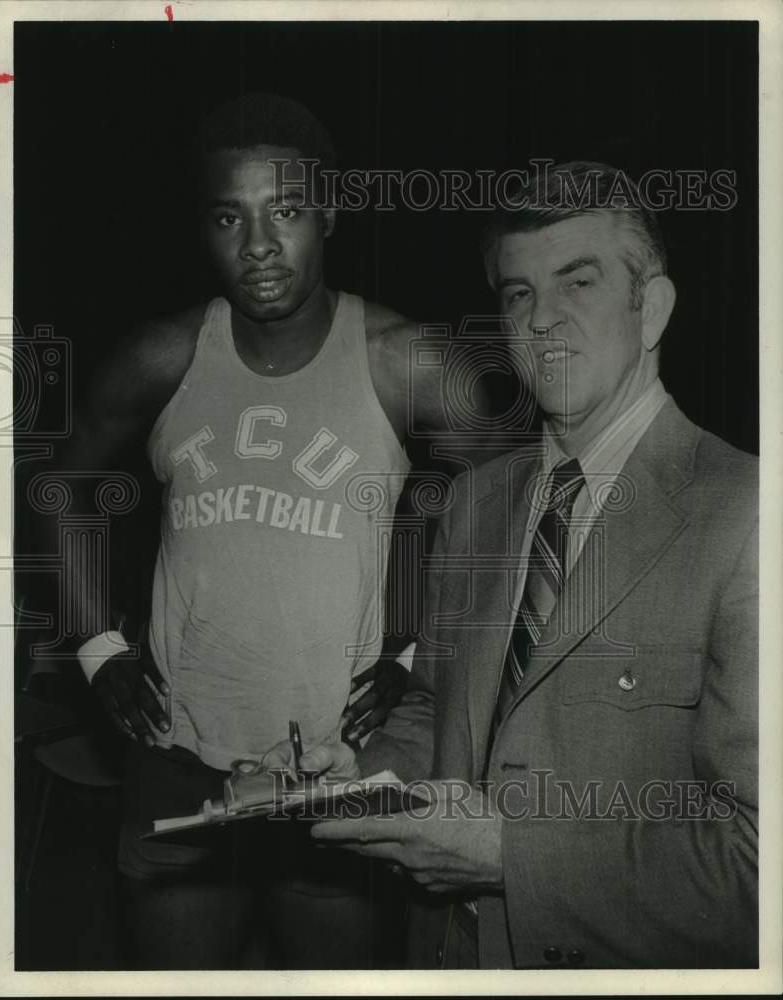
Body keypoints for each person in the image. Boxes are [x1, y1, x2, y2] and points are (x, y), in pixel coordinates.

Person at [286, 161, 759, 969]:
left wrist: (509, 854)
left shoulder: (747, 515)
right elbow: (435, 710)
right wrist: (360, 775)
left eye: (579, 281)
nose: (542, 319)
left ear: (654, 309)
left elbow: (758, 867)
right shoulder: (473, 502)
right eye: (517, 293)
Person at [55, 93, 488, 969]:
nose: (258, 244)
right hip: (176, 753)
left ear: (327, 213)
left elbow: (501, 513)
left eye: (284, 211)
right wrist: (97, 647)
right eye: (229, 216)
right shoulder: (160, 356)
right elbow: (61, 491)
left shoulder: (407, 361)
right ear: (202, 227)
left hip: (337, 758)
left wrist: (414, 652)